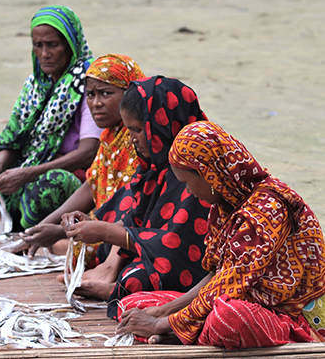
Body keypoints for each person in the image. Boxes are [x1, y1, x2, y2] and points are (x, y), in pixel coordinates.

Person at [116, 120, 325, 349]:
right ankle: (188, 331)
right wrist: (165, 311)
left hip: (289, 316)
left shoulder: (267, 208)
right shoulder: (226, 205)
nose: (188, 192)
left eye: (187, 183)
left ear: (209, 175)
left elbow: (229, 286)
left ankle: (186, 332)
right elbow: (219, 274)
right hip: (230, 298)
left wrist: (161, 324)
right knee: (132, 305)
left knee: (229, 320)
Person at [61, 76, 211, 319]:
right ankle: (111, 274)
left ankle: (114, 288)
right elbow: (137, 219)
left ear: (164, 125)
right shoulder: (154, 165)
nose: (131, 139)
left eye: (139, 130)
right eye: (128, 129)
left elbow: (178, 248)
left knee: (135, 279)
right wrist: (93, 226)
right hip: (157, 247)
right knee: (112, 239)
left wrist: (104, 232)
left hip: (192, 262)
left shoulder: (198, 169)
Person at [0, 5, 103, 230]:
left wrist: (27, 173)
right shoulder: (35, 84)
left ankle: (29, 228)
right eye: (38, 45)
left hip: (60, 174)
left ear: (71, 45)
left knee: (54, 184)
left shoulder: (88, 84)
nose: (45, 54)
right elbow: (14, 137)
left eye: (53, 45)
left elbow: (88, 152)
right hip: (26, 168)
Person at [17, 54, 144, 268]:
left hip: (128, 229)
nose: (96, 103)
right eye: (90, 95)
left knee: (78, 247)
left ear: (130, 94)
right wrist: (42, 226)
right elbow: (91, 186)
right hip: (106, 223)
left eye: (106, 93)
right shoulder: (110, 135)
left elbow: (132, 205)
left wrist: (62, 231)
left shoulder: (138, 139)